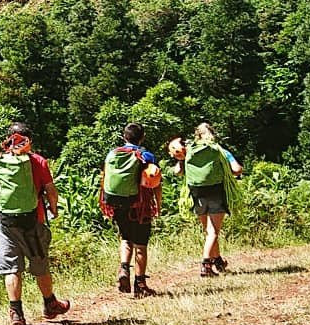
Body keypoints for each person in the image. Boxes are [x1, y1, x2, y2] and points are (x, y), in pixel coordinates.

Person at [0, 122, 71, 325]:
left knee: (11, 268)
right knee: (39, 263)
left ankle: (16, 313)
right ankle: (50, 304)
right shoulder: (38, 161)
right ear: (28, 141)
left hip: (5, 222)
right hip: (33, 220)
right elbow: (50, 190)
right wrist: (54, 208)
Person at [169, 122, 243, 277]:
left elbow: (177, 172)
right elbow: (237, 170)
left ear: (197, 135)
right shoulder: (219, 150)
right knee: (213, 231)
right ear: (212, 134)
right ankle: (206, 265)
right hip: (216, 191)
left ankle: (217, 260)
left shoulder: (189, 151)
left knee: (208, 231)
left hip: (196, 193)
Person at [99, 122, 162, 298]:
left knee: (126, 239)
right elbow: (155, 181)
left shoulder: (112, 153)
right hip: (140, 206)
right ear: (142, 137)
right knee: (141, 245)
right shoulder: (146, 155)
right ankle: (140, 284)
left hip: (117, 204)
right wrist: (158, 204)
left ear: (124, 137)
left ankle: (124, 269)